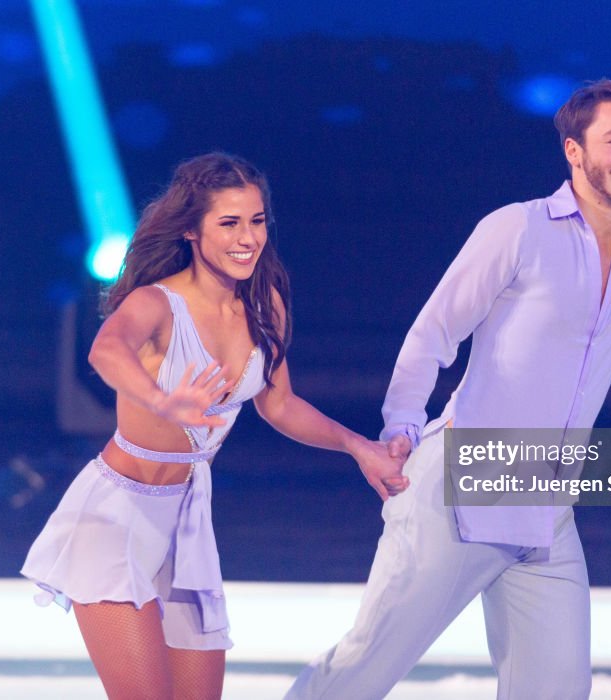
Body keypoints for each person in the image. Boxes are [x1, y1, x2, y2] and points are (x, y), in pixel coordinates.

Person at [286, 43, 611, 699]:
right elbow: (434, 331)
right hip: (460, 488)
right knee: (364, 670)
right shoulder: (519, 229)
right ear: (575, 153)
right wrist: (401, 425)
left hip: (548, 507)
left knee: (553, 690)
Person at [21, 152, 407, 700]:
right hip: (114, 520)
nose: (248, 237)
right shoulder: (156, 302)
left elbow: (279, 404)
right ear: (191, 231)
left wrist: (357, 446)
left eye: (256, 221)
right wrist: (162, 401)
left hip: (187, 521)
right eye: (229, 222)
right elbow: (106, 350)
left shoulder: (264, 306)